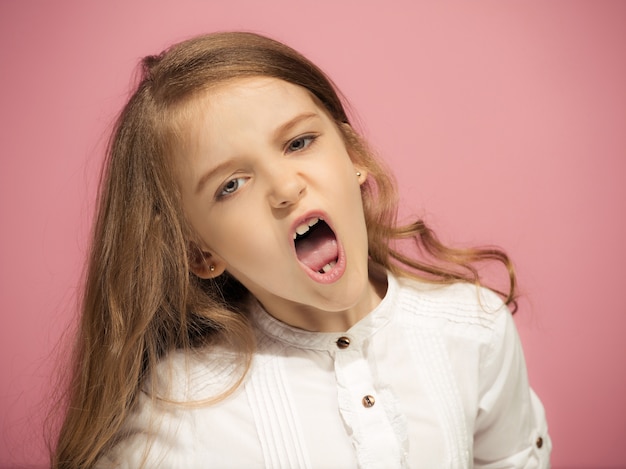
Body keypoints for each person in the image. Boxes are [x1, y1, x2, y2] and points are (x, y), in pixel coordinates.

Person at [52, 31, 551, 468]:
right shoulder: (176, 412)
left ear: (355, 158)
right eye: (231, 185)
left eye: (298, 143)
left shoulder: (473, 330)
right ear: (199, 253)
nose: (285, 188)